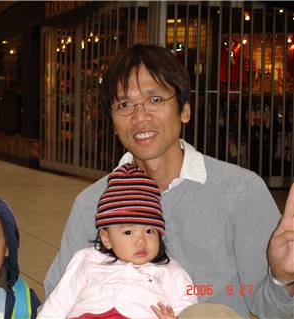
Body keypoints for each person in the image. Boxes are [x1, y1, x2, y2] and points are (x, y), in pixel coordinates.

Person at [44, 44, 294, 318]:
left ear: (184, 110)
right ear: (113, 122)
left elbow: (272, 308)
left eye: (155, 100)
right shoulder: (93, 203)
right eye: (125, 105)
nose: (140, 117)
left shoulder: (239, 192)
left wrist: (281, 278)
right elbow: (57, 299)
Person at [38, 164, 197, 319]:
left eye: (149, 231)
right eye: (128, 232)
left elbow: (188, 306)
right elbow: (60, 301)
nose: (141, 240)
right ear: (106, 239)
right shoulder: (87, 259)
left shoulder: (171, 271)